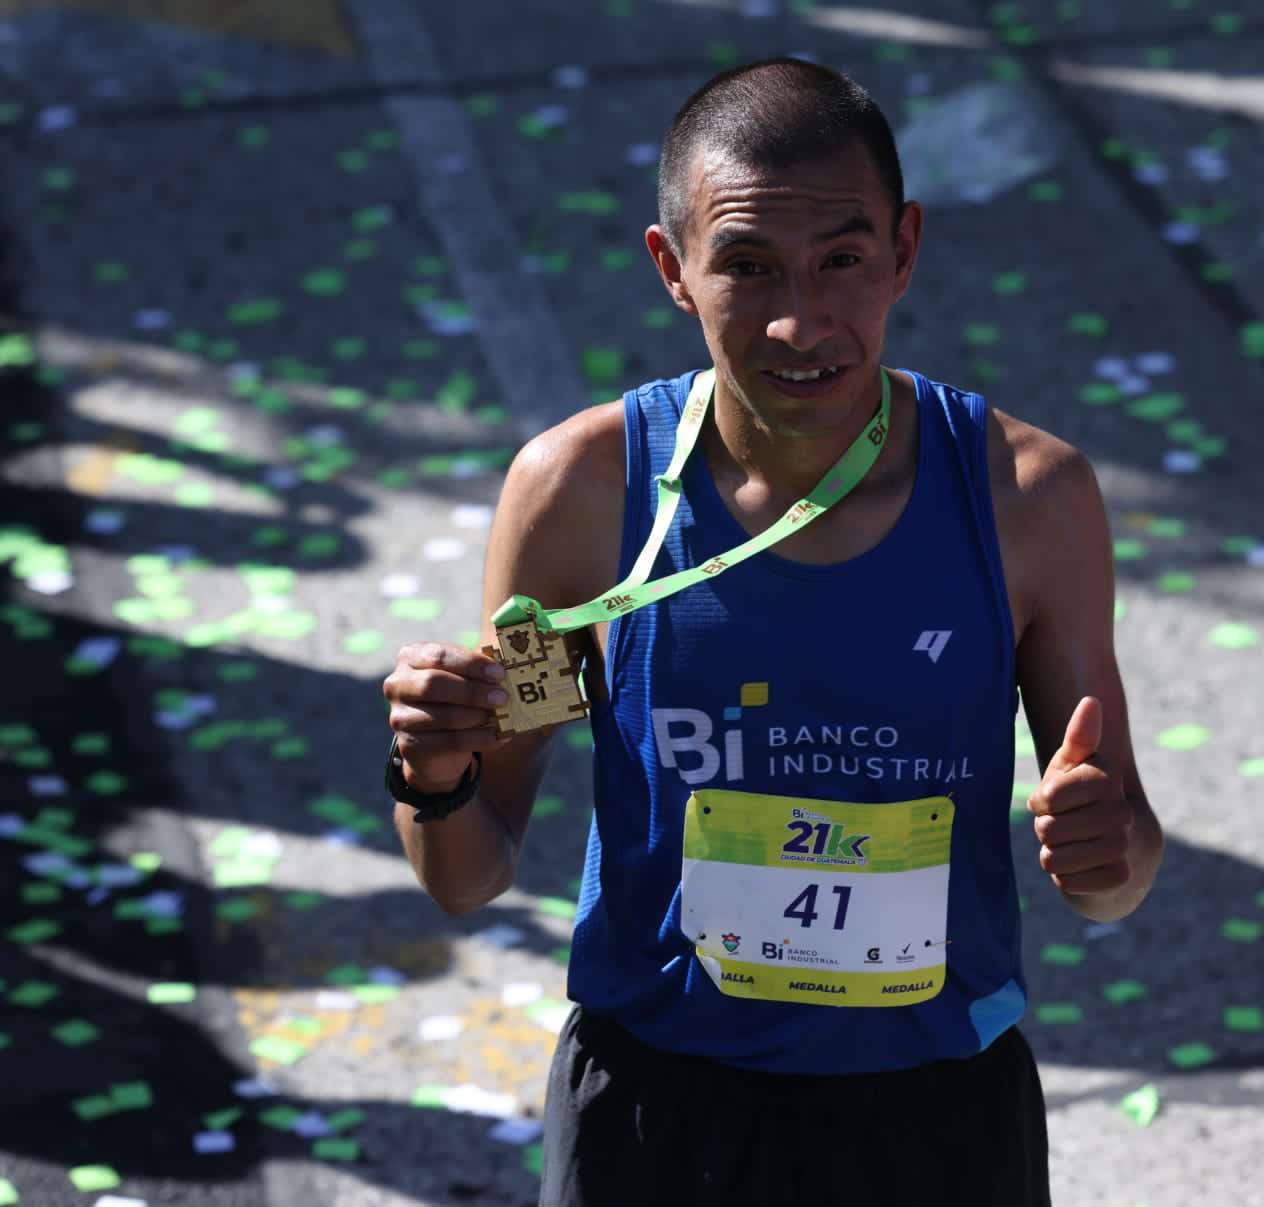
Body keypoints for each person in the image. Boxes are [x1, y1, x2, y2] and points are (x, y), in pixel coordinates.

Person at [382, 57, 1164, 1207]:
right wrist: (435, 776)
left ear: (903, 249)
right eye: (747, 266)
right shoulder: (580, 497)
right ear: (674, 270)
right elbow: (471, 867)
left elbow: (1115, 876)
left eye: (841, 260)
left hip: (937, 1115)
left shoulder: (1027, 500)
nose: (802, 319)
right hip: (654, 1117)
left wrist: (1109, 850)